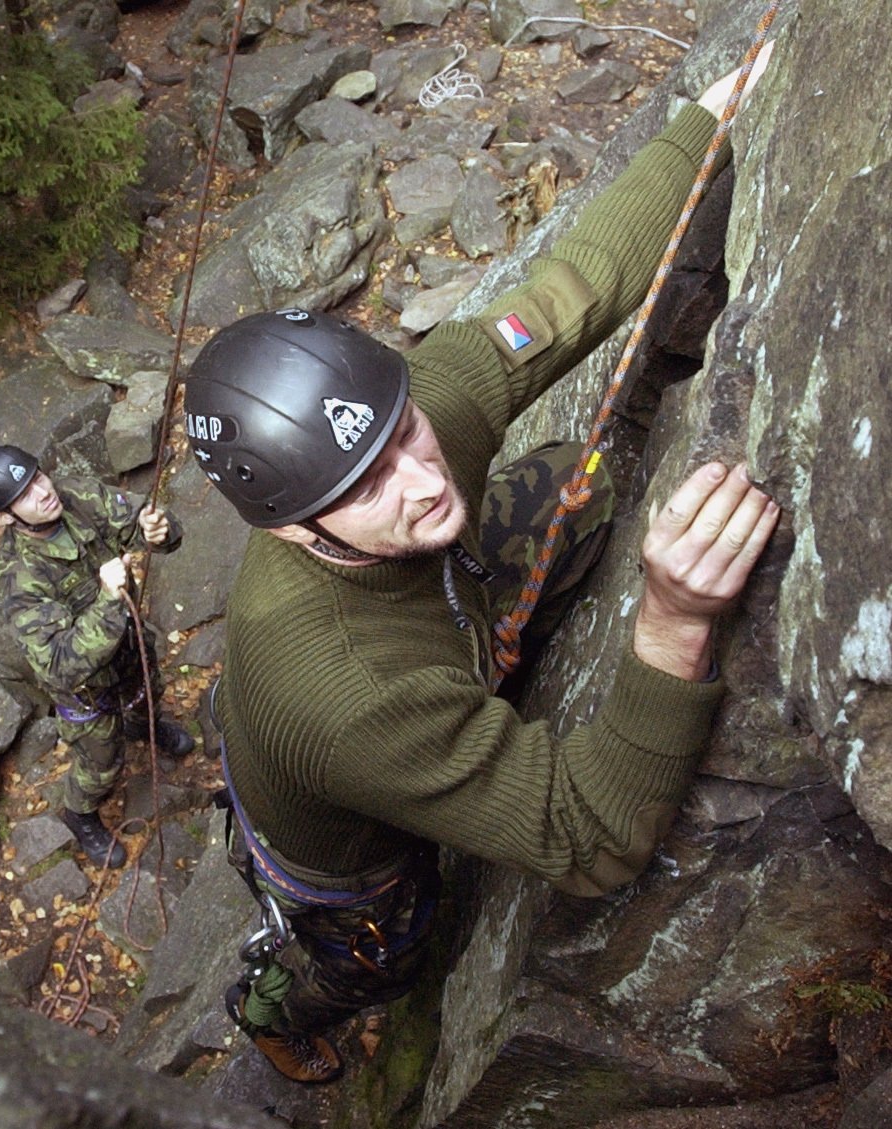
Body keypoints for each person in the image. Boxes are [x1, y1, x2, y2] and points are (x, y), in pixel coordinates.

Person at [183, 49, 780, 1084]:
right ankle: (276, 1009)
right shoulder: (346, 696)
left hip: (427, 627)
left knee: (564, 484)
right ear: (286, 529)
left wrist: (703, 124)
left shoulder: (383, 430)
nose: (419, 478)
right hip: (346, 851)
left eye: (406, 434)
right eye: (364, 489)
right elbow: (594, 835)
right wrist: (672, 619)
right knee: (381, 951)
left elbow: (564, 297)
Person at [0, 446, 195, 869]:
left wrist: (156, 531)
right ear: (4, 518)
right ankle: (80, 814)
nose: (42, 491)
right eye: (24, 494)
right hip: (87, 691)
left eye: (37, 477)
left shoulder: (75, 497)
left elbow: (135, 522)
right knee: (100, 763)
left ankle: (145, 726)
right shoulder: (20, 577)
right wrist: (110, 600)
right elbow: (57, 660)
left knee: (147, 694)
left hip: (128, 649)